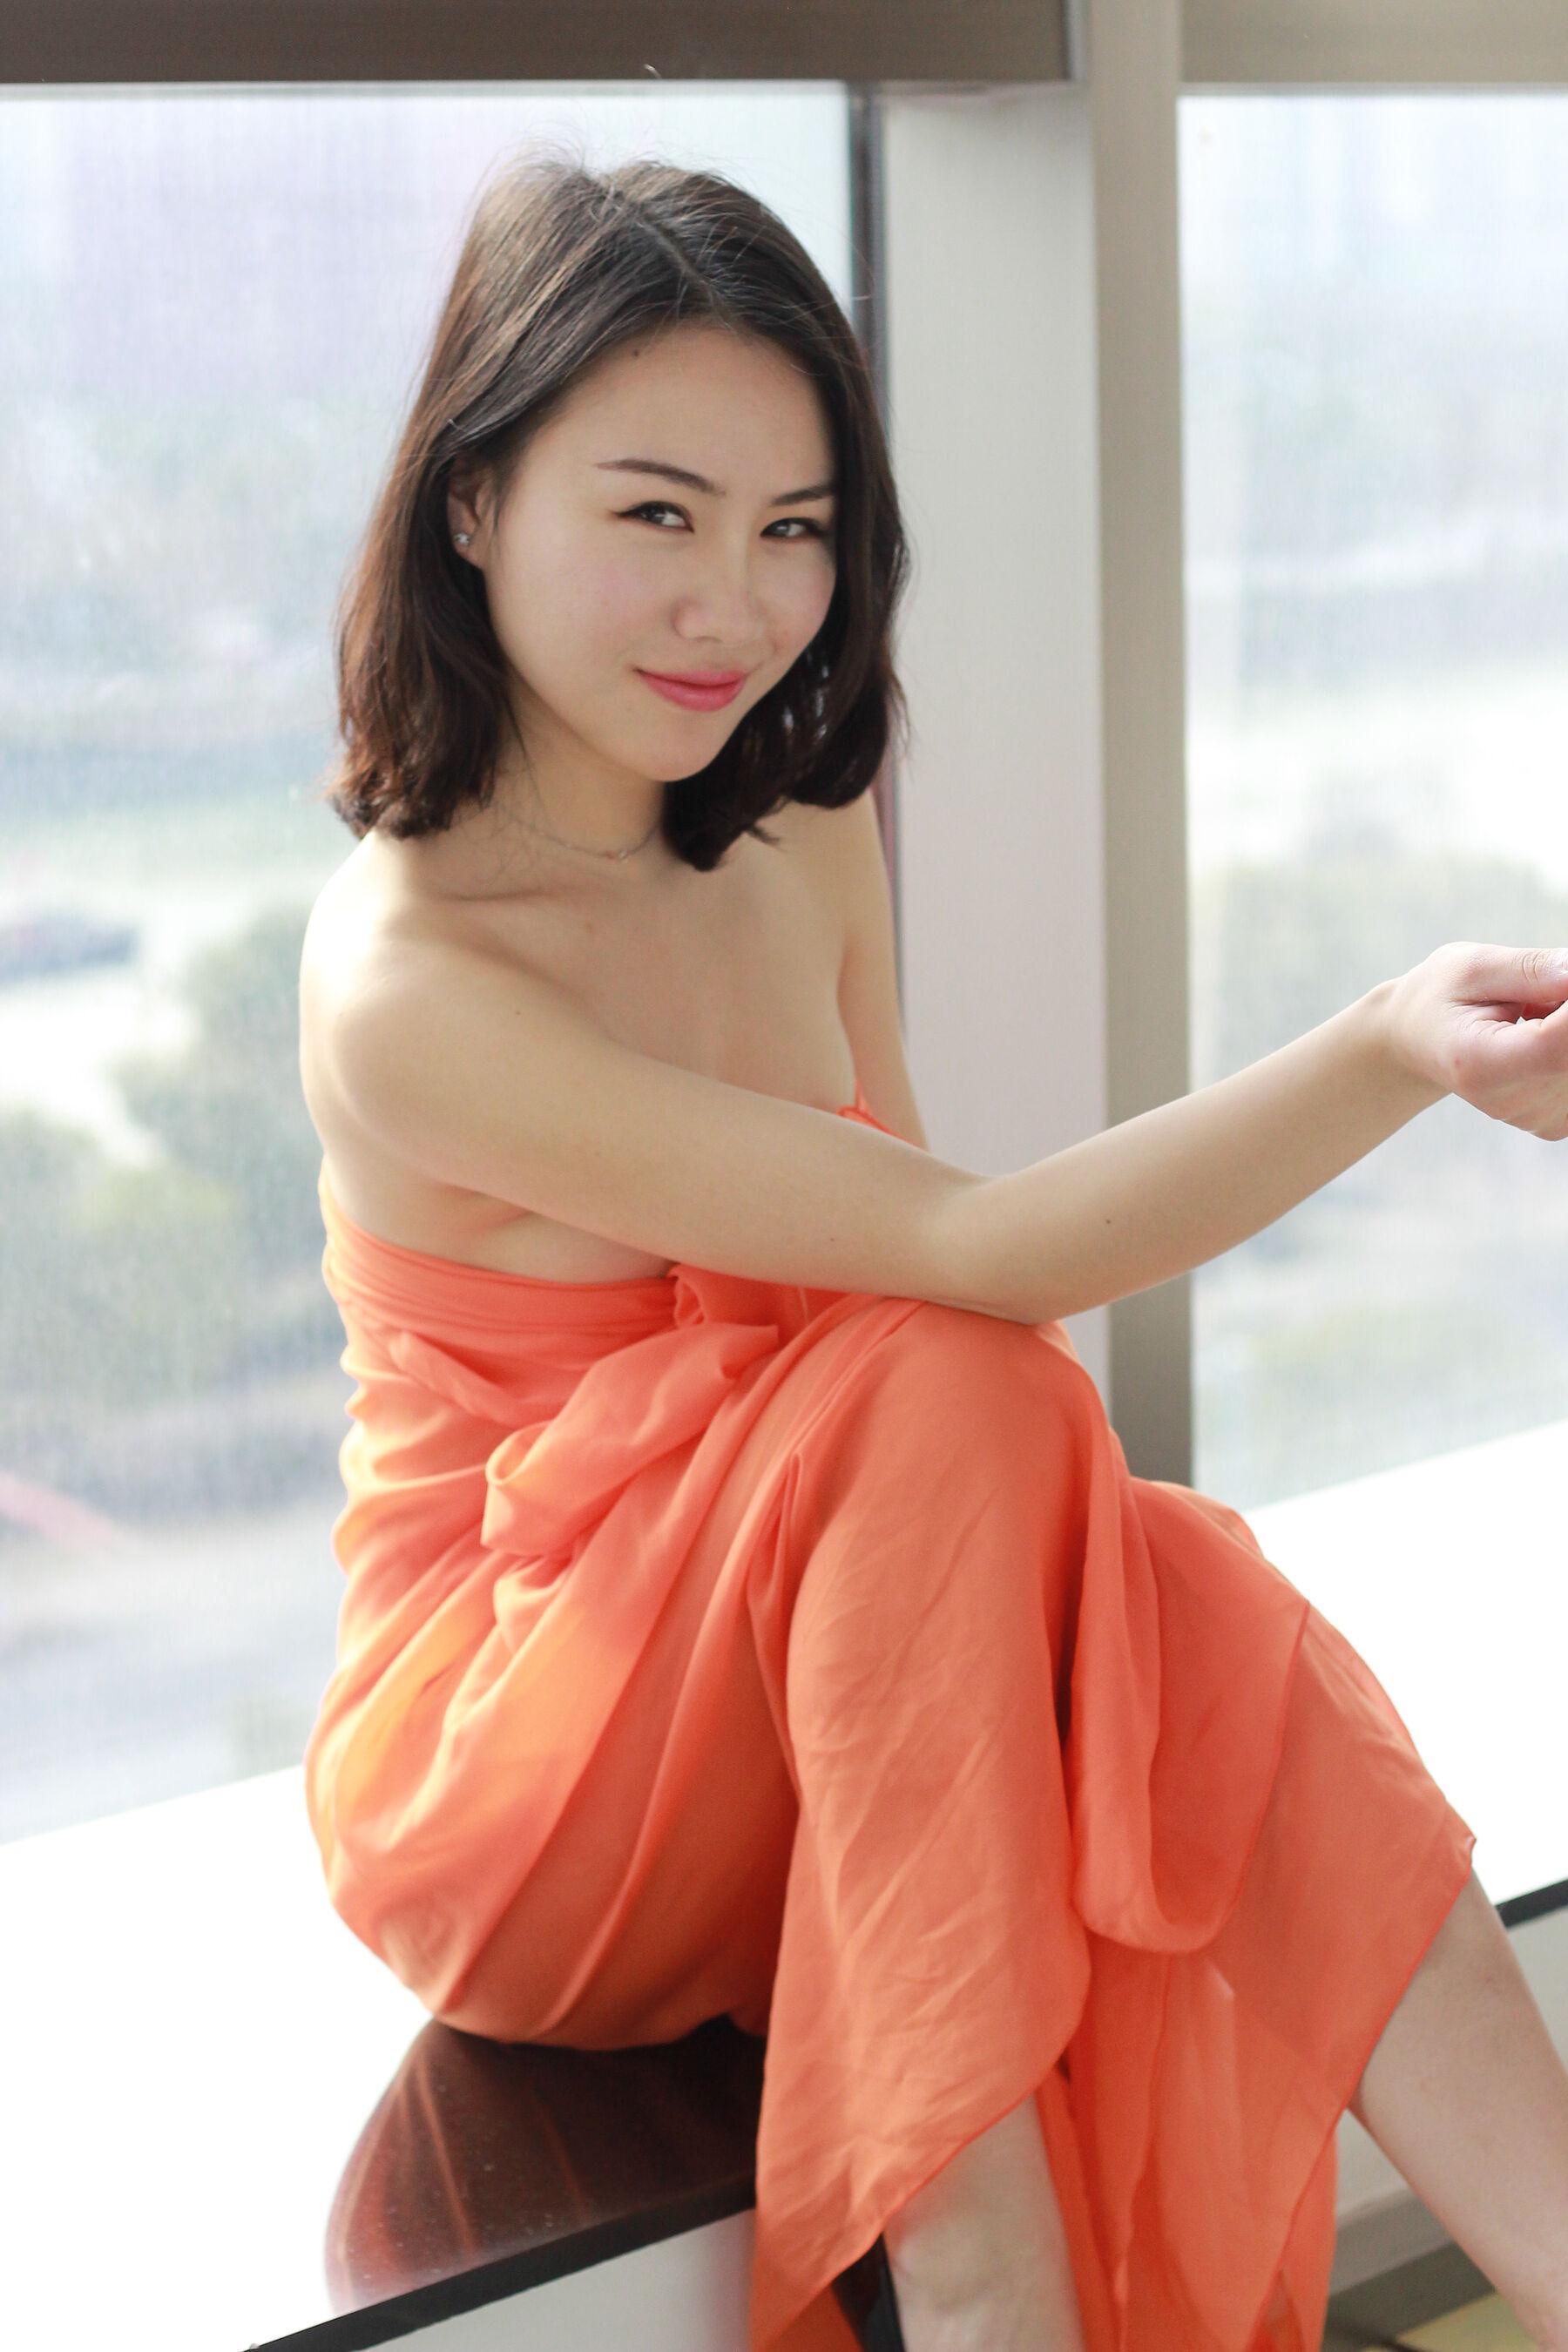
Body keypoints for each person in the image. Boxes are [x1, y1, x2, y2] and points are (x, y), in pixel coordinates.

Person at [296, 147, 1568, 2352]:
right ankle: (980, 2278)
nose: (735, 605)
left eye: (795, 531)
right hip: (527, 1781)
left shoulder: (797, 845)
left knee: (1181, 1610)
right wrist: (1390, 1046)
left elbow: (928, 1328)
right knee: (955, 1377)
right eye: (659, 514)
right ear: (472, 500)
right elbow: (969, 1256)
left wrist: (1091, 1617)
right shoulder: (416, 980)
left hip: (837, 1703)